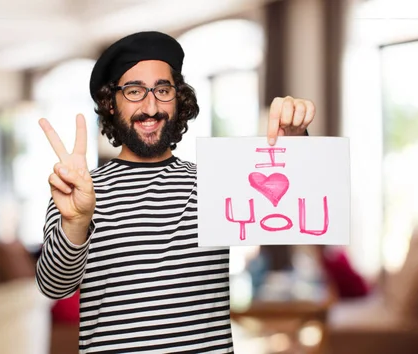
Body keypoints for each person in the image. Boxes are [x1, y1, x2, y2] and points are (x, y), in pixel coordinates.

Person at [35, 31, 315, 353]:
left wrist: (296, 143)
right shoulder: (78, 188)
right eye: (134, 90)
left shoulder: (215, 180)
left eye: (163, 90)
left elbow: (295, 209)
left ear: (178, 100)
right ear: (111, 103)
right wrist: (76, 222)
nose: (151, 106)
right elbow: (54, 286)